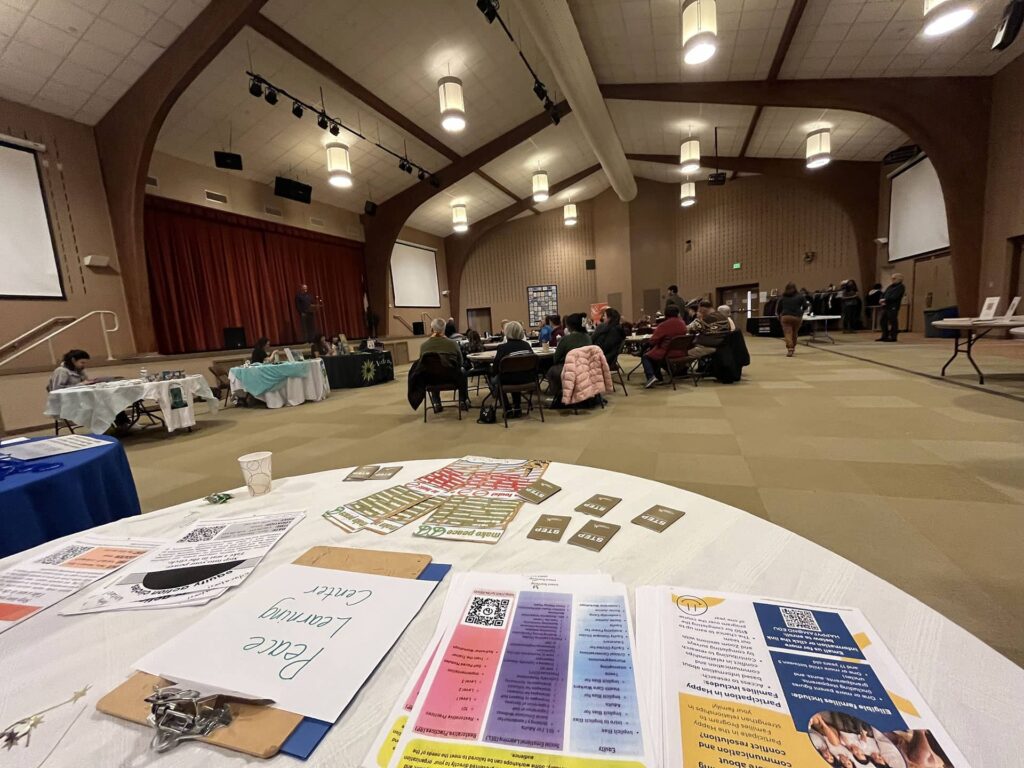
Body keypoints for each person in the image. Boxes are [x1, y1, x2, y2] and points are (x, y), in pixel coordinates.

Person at [419, 317, 469, 410]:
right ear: (444, 329)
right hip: (451, 377)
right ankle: (462, 400)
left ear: (432, 329)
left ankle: (437, 403)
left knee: (432, 369)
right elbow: (460, 362)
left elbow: (422, 365)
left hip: (432, 380)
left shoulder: (424, 346)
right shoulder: (453, 344)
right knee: (462, 370)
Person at [491, 321, 534, 417]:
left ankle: (507, 408)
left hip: (508, 380)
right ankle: (517, 407)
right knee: (516, 373)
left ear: (506, 332)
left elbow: (495, 369)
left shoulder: (502, 348)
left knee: (497, 380)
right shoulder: (526, 346)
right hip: (527, 379)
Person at [545, 313, 590, 405]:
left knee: (550, 369)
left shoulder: (566, 339)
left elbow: (556, 358)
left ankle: (558, 396)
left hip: (568, 369)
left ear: (569, 326)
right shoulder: (588, 338)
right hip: (585, 368)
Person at [641, 305, 688, 388]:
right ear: (677, 313)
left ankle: (651, 377)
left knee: (646, 356)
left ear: (666, 314)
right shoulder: (682, 323)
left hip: (667, 352)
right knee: (653, 354)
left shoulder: (664, 325)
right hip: (681, 352)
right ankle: (660, 377)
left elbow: (653, 341)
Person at [776, 282, 808, 357]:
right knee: (794, 333)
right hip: (797, 317)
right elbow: (805, 306)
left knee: (788, 333)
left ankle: (790, 349)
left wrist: (779, 315)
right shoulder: (800, 297)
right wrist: (801, 312)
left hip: (786, 316)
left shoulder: (782, 297)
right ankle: (793, 346)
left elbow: (778, 308)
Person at [877, 273, 905, 342]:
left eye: (894, 278)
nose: (892, 280)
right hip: (886, 306)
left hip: (893, 306)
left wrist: (886, 299)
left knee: (893, 321)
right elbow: (884, 293)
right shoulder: (890, 286)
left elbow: (895, 296)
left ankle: (893, 337)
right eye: (892, 278)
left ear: (899, 279)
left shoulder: (900, 287)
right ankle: (884, 335)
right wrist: (881, 299)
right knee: (882, 321)